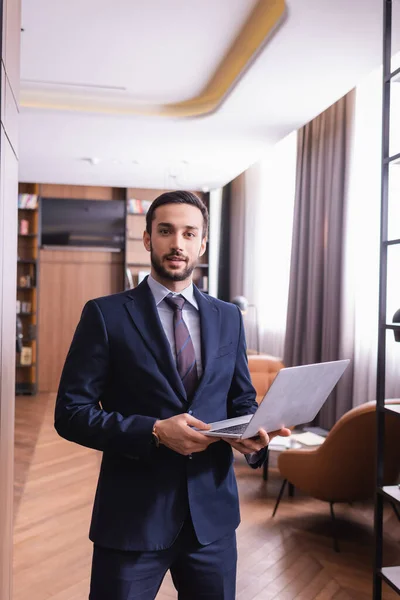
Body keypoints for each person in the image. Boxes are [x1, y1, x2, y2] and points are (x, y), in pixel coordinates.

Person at [55, 190, 290, 600]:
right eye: (165, 231)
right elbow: (70, 413)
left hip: (212, 522)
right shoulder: (105, 315)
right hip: (132, 518)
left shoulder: (228, 316)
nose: (177, 243)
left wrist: (253, 438)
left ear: (202, 243)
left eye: (188, 233)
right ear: (148, 239)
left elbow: (241, 400)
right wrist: (154, 432)